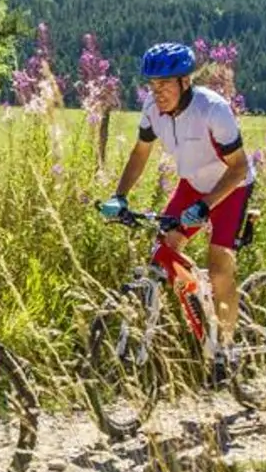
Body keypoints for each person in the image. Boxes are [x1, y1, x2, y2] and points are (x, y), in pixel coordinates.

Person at [98, 41, 255, 377]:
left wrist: (206, 205)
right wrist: (120, 196)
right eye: (153, 85)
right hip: (192, 186)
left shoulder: (213, 110)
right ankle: (199, 308)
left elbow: (239, 168)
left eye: (165, 84)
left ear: (185, 82)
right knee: (166, 249)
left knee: (218, 266)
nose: (158, 92)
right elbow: (140, 154)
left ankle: (226, 350)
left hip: (230, 187)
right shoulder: (153, 111)